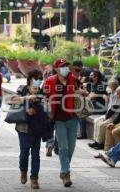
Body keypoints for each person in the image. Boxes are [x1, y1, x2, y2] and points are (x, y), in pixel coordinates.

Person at [9, 69, 52, 189]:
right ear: (30, 80)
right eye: (36, 79)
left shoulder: (42, 92)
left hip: (37, 127)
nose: (39, 81)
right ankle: (23, 171)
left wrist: (37, 108)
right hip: (23, 127)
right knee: (24, 152)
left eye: (40, 79)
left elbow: (47, 107)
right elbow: (12, 100)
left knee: (36, 154)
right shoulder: (22, 89)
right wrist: (27, 98)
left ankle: (34, 178)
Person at [43, 59, 82, 187]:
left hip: (73, 117)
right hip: (59, 119)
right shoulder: (50, 81)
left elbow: (83, 90)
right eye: (62, 66)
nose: (65, 68)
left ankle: (64, 169)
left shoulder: (73, 80)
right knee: (64, 148)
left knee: (71, 148)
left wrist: (81, 92)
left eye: (66, 66)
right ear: (57, 69)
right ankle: (65, 173)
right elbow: (44, 95)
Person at [89, 77, 120, 150]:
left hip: (113, 116)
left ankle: (100, 143)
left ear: (113, 86)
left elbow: (114, 108)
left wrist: (107, 117)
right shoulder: (111, 94)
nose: (108, 87)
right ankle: (96, 141)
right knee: (96, 121)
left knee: (102, 125)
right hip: (108, 114)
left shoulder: (117, 94)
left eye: (109, 86)